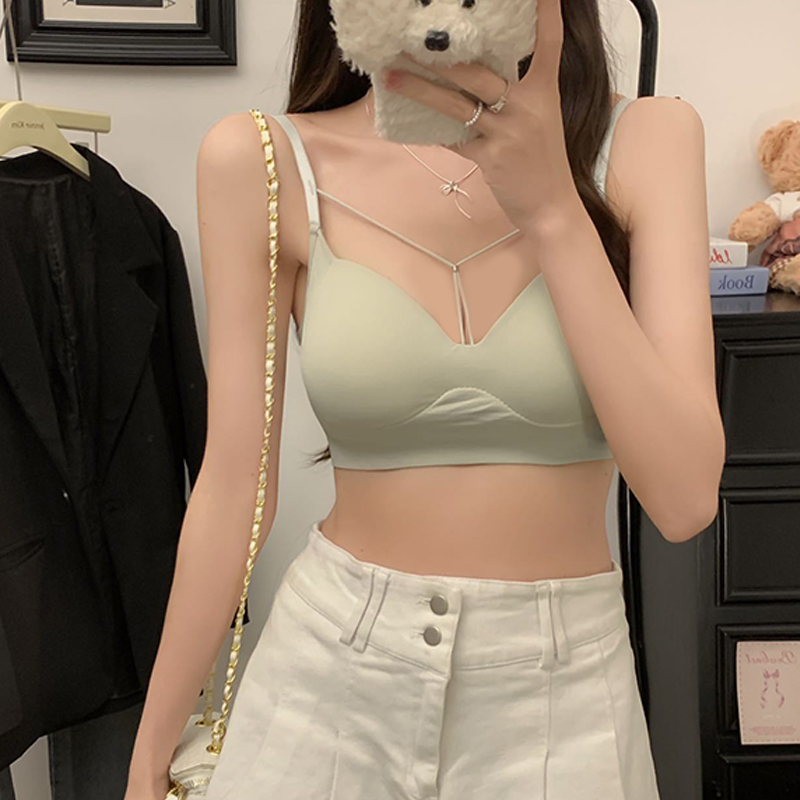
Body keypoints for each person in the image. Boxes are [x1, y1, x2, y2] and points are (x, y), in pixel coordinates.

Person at [123, 0, 725, 797]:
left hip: (563, 699)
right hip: (326, 676)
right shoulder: (264, 160)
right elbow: (234, 488)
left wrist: (552, 207)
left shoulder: (649, 139)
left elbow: (684, 500)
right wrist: (148, 758)